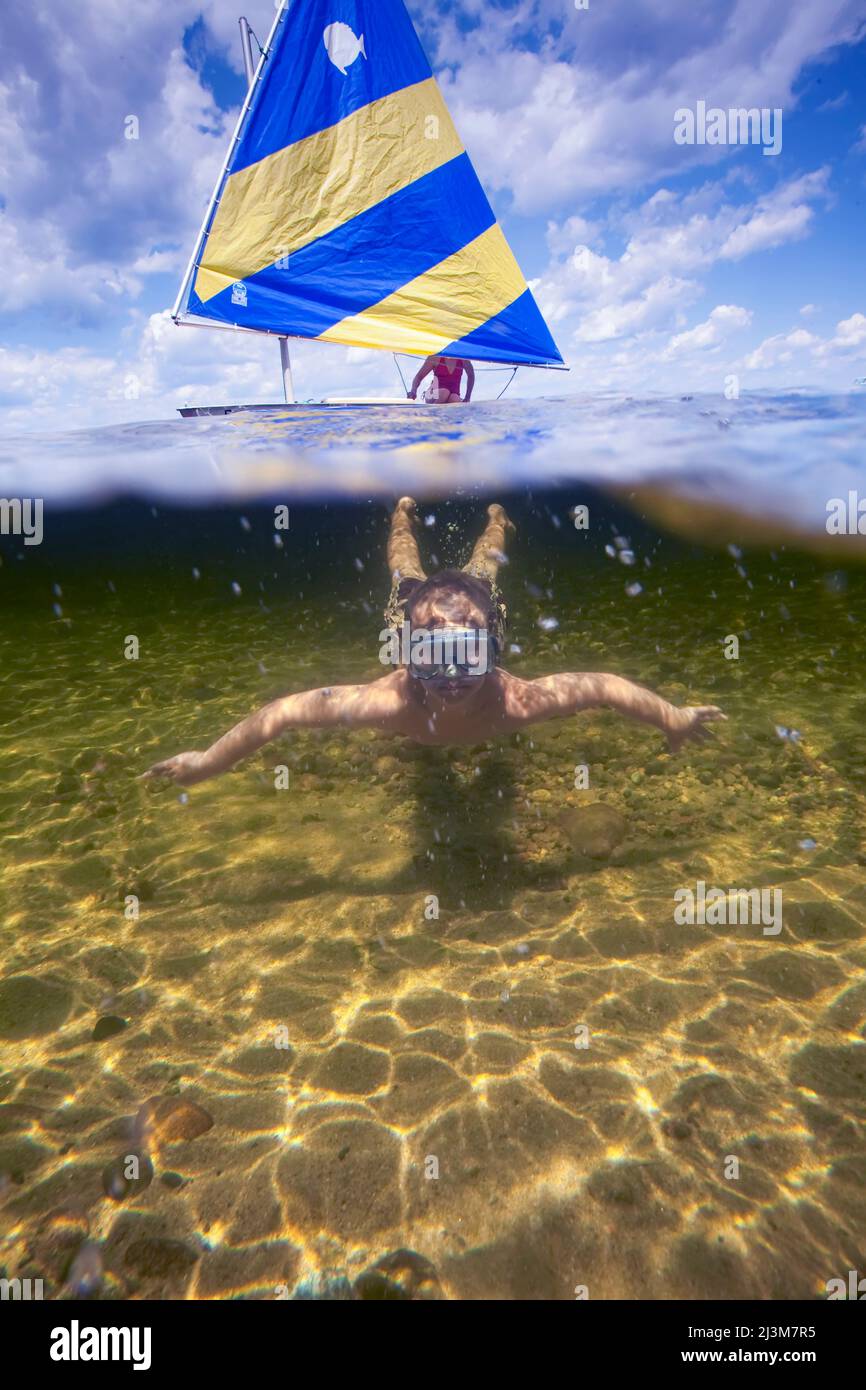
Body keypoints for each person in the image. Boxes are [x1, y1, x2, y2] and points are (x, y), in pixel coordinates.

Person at [143, 498, 725, 786]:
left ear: (494, 648)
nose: (449, 676)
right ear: (405, 654)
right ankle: (402, 512)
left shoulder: (516, 699)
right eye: (428, 654)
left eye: (467, 655)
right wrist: (204, 764)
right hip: (415, 600)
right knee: (404, 565)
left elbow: (602, 686)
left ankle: (498, 518)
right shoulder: (389, 701)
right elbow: (281, 716)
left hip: (474, 597)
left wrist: (671, 717)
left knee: (486, 563)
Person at [408, 356, 474, 404]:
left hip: (453, 394)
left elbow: (471, 375)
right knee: (444, 393)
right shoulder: (435, 358)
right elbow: (419, 376)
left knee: (454, 398)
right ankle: (432, 415)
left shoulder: (463, 358)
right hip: (432, 394)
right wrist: (413, 391)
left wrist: (467, 397)